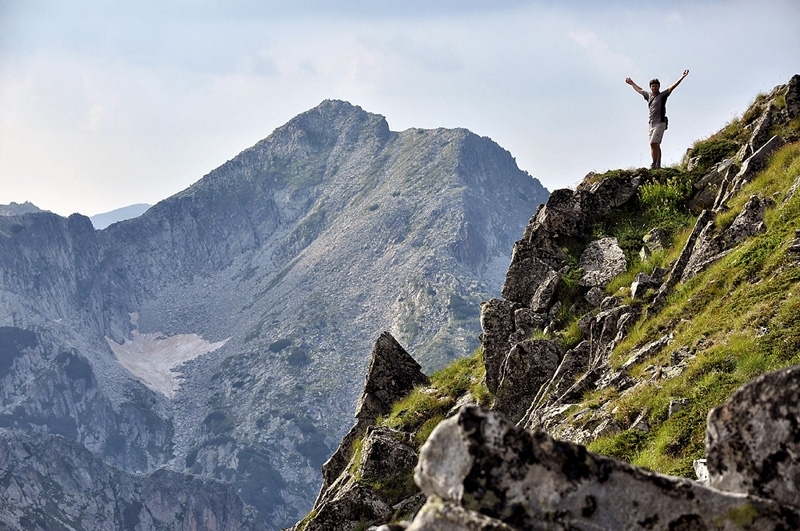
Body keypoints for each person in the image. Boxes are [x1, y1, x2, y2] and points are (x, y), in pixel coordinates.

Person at [626, 69, 689, 169]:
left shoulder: (662, 95)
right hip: (651, 124)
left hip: (660, 123)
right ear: (650, 87)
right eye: (652, 86)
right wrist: (632, 83)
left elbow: (672, 87)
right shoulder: (649, 96)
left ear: (659, 87)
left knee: (653, 143)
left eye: (656, 86)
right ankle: (657, 164)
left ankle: (654, 163)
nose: (654, 87)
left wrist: (682, 76)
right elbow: (639, 90)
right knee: (654, 145)